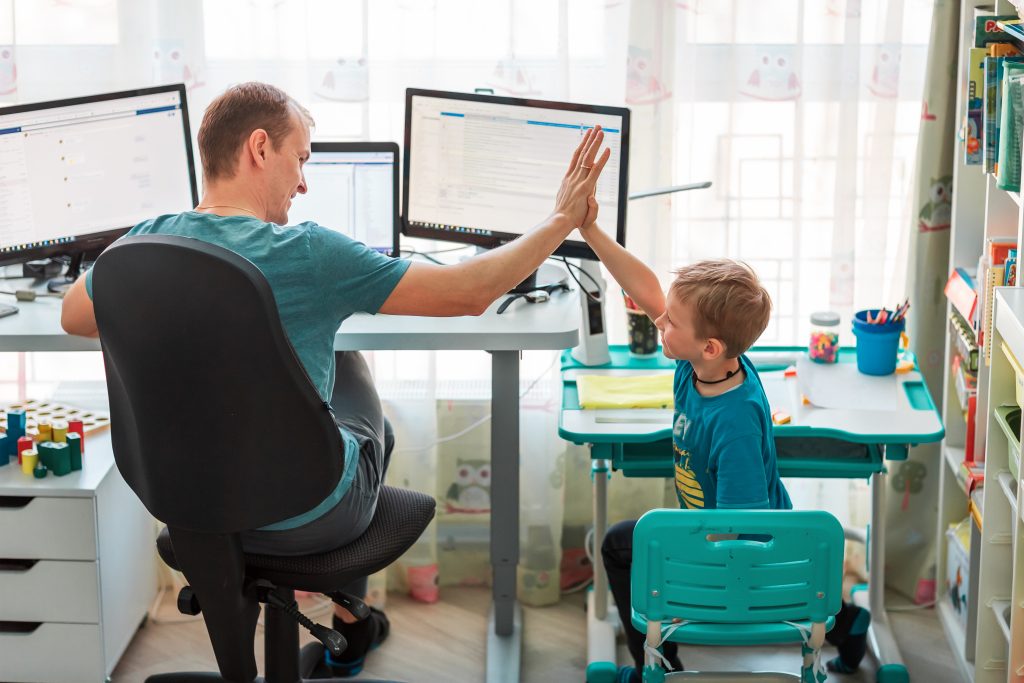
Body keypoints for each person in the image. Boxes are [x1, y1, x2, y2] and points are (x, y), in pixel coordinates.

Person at [60, 81, 610, 676]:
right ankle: (351, 616)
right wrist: (561, 220)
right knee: (357, 386)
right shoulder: (310, 254)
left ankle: (321, 616)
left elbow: (74, 316)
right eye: (300, 160)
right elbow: (470, 292)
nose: (303, 183)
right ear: (260, 148)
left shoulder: (142, 241)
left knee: (334, 371)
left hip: (185, 503)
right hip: (305, 514)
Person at [575, 214, 868, 680]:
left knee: (621, 544)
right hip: (725, 532)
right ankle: (849, 623)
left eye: (670, 321)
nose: (659, 321)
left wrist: (677, 560)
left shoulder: (734, 426)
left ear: (709, 346)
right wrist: (590, 232)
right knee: (642, 541)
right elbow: (647, 288)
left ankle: (657, 663)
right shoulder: (704, 363)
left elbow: (741, 533)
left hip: (747, 554)